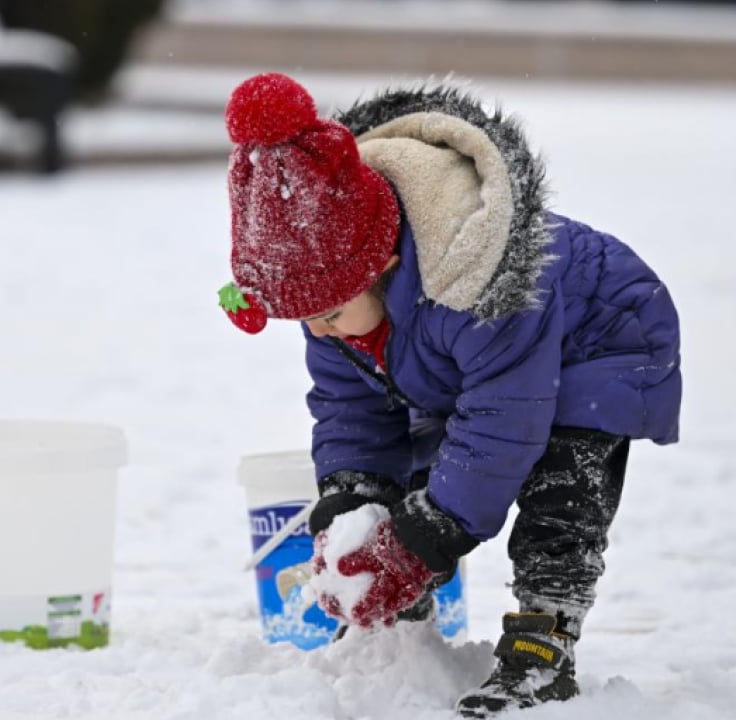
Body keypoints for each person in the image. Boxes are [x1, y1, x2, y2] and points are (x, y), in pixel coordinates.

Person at [216, 73, 681, 718]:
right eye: (307, 320)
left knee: (559, 490)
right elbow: (352, 412)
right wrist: (353, 507)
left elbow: (500, 425)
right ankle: (400, 627)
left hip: (601, 342)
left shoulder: (478, 281)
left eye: (326, 313)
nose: (317, 330)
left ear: (377, 266)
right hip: (472, 364)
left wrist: (425, 538)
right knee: (411, 468)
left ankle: (543, 641)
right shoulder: (333, 300)